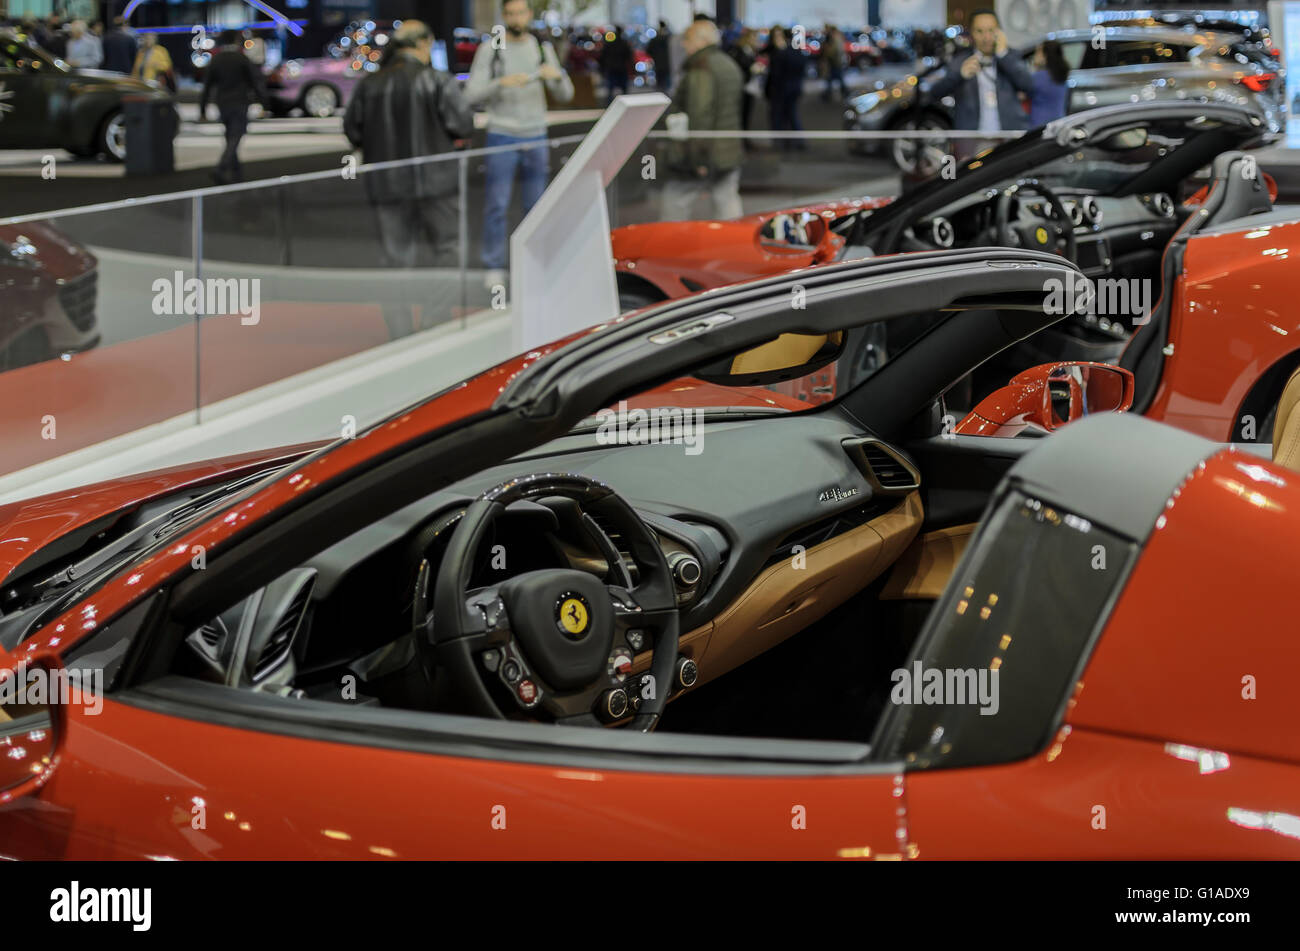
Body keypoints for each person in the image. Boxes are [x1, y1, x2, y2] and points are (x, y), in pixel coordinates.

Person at [344, 20, 473, 340]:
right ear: (425, 44)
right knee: (447, 250)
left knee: (395, 260)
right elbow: (463, 125)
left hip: (387, 186)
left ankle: (400, 332)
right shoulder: (437, 80)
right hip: (438, 183)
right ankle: (435, 320)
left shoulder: (370, 84)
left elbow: (352, 130)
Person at [465, 0, 573, 289]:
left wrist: (557, 75)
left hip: (536, 134)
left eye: (520, 12)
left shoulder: (542, 49)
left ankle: (534, 264)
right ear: (503, 16)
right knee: (496, 206)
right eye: (510, 13)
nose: (515, 18)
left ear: (529, 15)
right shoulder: (491, 49)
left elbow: (565, 94)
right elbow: (471, 94)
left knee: (536, 206)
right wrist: (500, 83)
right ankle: (494, 265)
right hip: (502, 134)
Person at [661, 19, 744, 222]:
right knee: (727, 202)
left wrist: (697, 158)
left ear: (700, 40)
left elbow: (700, 115)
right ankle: (733, 245)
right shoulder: (727, 63)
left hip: (704, 152)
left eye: (687, 39)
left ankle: (667, 245)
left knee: (676, 200)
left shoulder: (701, 68)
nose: (683, 44)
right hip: (728, 149)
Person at [929, 8, 1033, 157]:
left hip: (1009, 135)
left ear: (999, 32)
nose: (986, 37)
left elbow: (1028, 85)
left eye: (991, 30)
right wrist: (960, 75)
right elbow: (935, 93)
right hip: (973, 139)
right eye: (979, 31)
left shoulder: (1011, 56)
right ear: (971, 33)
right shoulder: (960, 61)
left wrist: (1003, 56)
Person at [200, 31, 266, 184]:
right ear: (237, 40)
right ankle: (221, 168)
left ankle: (237, 172)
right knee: (236, 135)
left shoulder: (216, 60)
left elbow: (207, 86)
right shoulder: (241, 58)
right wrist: (263, 101)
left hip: (222, 103)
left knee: (230, 135)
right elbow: (254, 81)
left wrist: (202, 109)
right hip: (240, 101)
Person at [764, 26, 805, 151]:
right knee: (792, 115)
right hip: (794, 88)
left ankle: (779, 142)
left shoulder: (780, 53)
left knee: (778, 116)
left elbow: (775, 74)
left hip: (781, 89)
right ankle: (798, 141)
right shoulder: (797, 52)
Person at [728, 28, 759, 149]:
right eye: (753, 37)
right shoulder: (738, 51)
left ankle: (744, 140)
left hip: (749, 87)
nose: (755, 40)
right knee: (741, 115)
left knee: (746, 115)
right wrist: (752, 68)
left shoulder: (749, 50)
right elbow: (740, 67)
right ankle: (741, 142)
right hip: (742, 88)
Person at [1029, 39, 1070, 126]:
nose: (1034, 56)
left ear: (1045, 56)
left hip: (1039, 125)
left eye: (1037, 52)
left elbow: (1022, 94)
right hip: (1059, 123)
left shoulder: (1038, 77)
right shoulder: (1062, 76)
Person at [598, 24, 631, 105]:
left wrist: (602, 68)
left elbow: (603, 56)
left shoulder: (609, 43)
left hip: (611, 68)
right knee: (624, 89)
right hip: (622, 68)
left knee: (610, 89)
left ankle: (609, 106)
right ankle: (626, 105)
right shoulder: (624, 43)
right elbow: (629, 56)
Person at [821, 26, 846, 102]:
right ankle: (843, 92)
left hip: (834, 62)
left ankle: (828, 94)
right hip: (835, 62)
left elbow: (834, 51)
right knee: (835, 78)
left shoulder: (835, 38)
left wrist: (827, 51)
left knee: (833, 78)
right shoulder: (837, 37)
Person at [647, 20, 672, 93]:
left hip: (658, 63)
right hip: (668, 63)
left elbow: (648, 50)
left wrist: (654, 56)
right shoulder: (669, 38)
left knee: (659, 83)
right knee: (667, 83)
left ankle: (660, 96)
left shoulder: (655, 39)